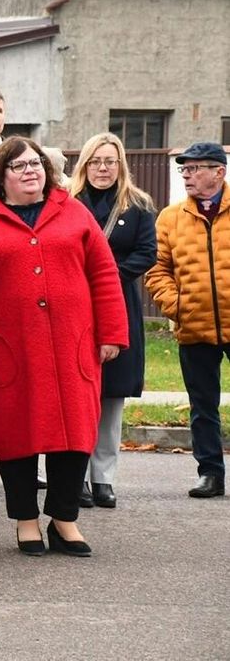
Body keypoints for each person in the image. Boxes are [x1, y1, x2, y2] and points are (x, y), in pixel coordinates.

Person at [0, 136, 127, 556]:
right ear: (0, 176)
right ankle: (26, 520)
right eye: (19, 166)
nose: (31, 171)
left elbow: (103, 274)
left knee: (76, 431)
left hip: (72, 344)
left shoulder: (74, 212)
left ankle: (64, 520)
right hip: (6, 347)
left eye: (36, 164)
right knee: (15, 432)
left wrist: (112, 334)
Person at [68, 133, 157, 508]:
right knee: (77, 393)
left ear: (120, 165)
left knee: (112, 396)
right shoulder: (68, 204)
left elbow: (147, 252)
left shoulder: (137, 204)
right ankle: (75, 477)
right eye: (95, 161)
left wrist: (107, 275)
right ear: (84, 165)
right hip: (75, 306)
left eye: (110, 161)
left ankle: (103, 478)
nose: (103, 169)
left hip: (118, 302)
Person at [145, 141, 230, 499]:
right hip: (193, 324)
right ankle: (210, 473)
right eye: (184, 169)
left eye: (195, 169)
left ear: (219, 172)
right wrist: (176, 305)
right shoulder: (170, 216)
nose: (187, 175)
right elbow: (156, 268)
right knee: (202, 405)